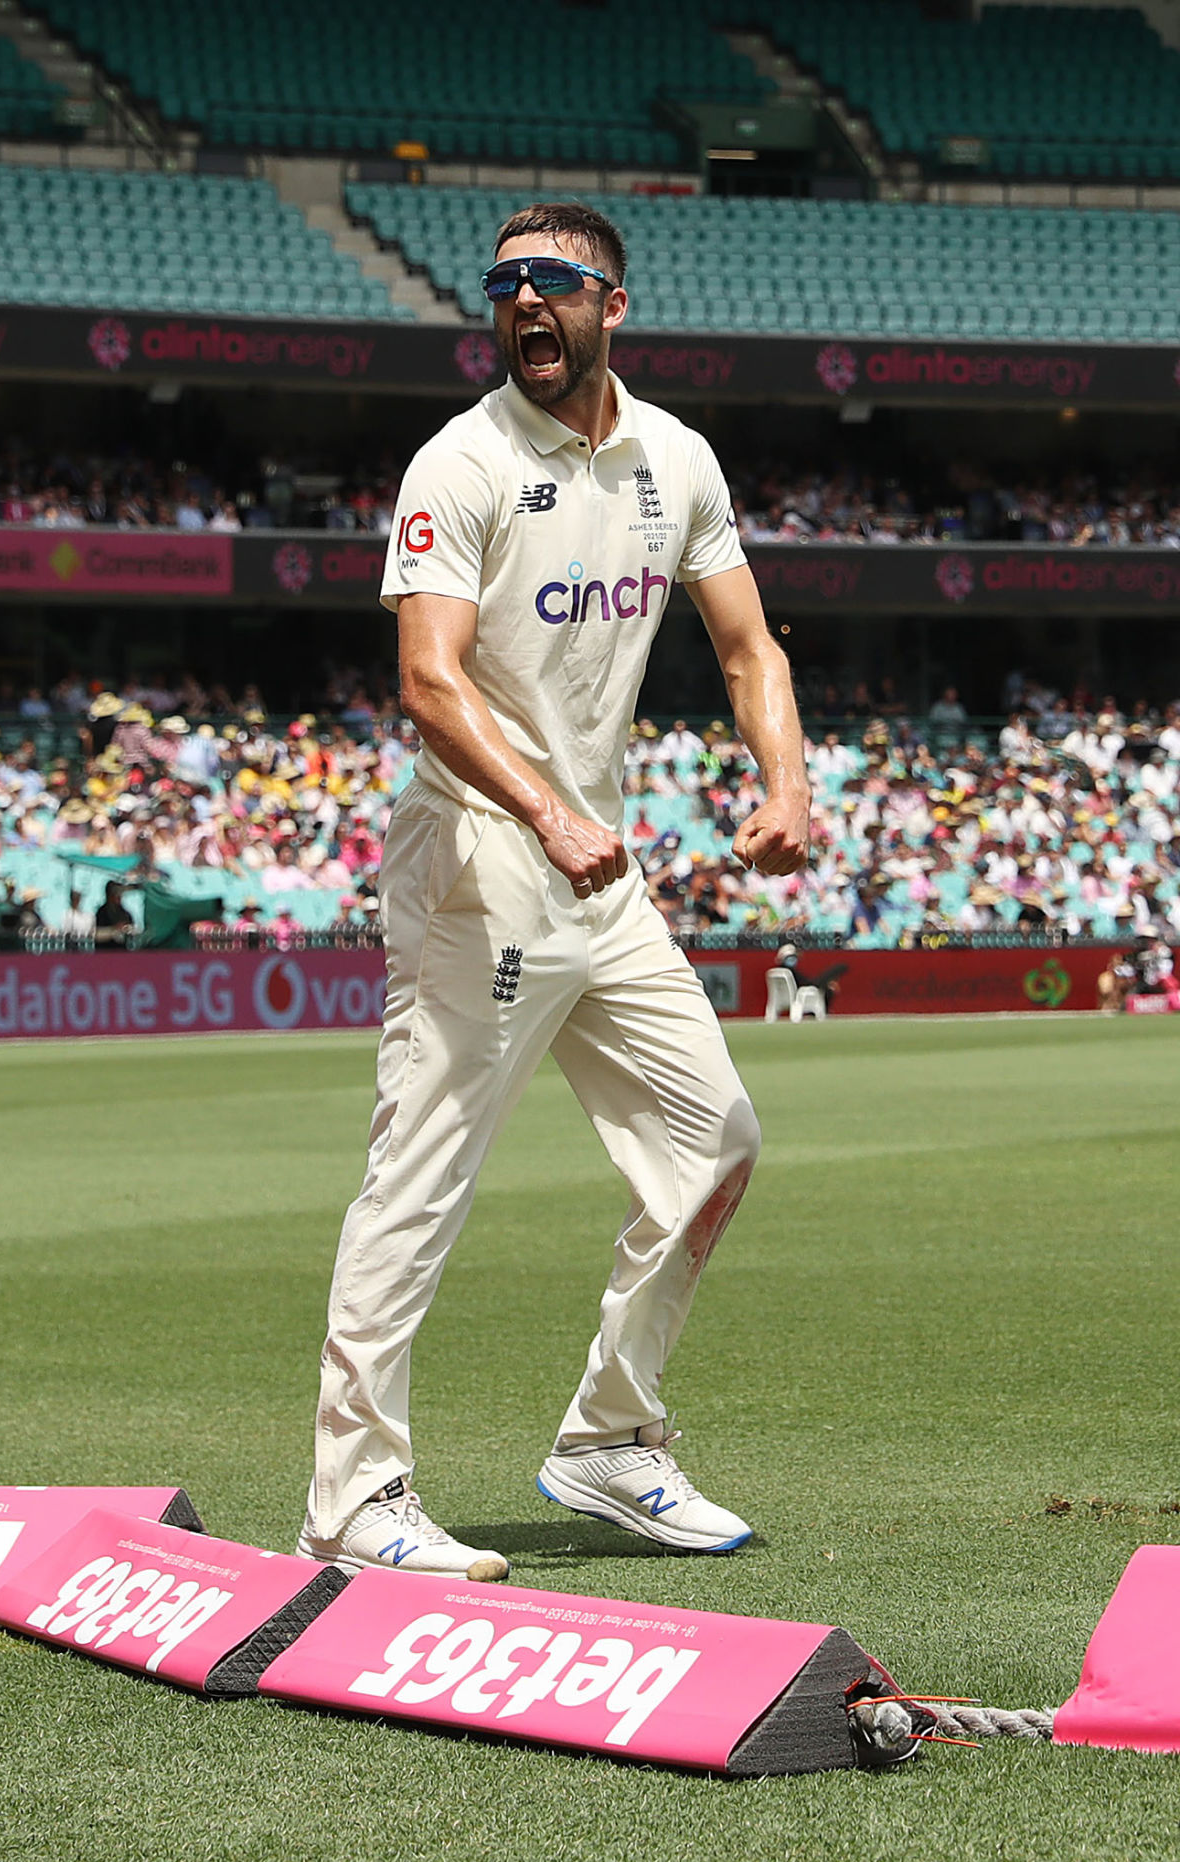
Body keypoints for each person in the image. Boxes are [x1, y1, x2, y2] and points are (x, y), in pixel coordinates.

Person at [297, 200, 810, 1584]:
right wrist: (545, 808)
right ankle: (351, 1501)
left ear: (612, 306)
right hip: (482, 860)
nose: (525, 302)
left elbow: (750, 646)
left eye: (555, 283)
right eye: (506, 284)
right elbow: (426, 682)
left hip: (601, 873)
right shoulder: (458, 464)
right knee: (420, 1181)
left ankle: (610, 1440)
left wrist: (787, 786)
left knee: (715, 1142)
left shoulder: (675, 458)